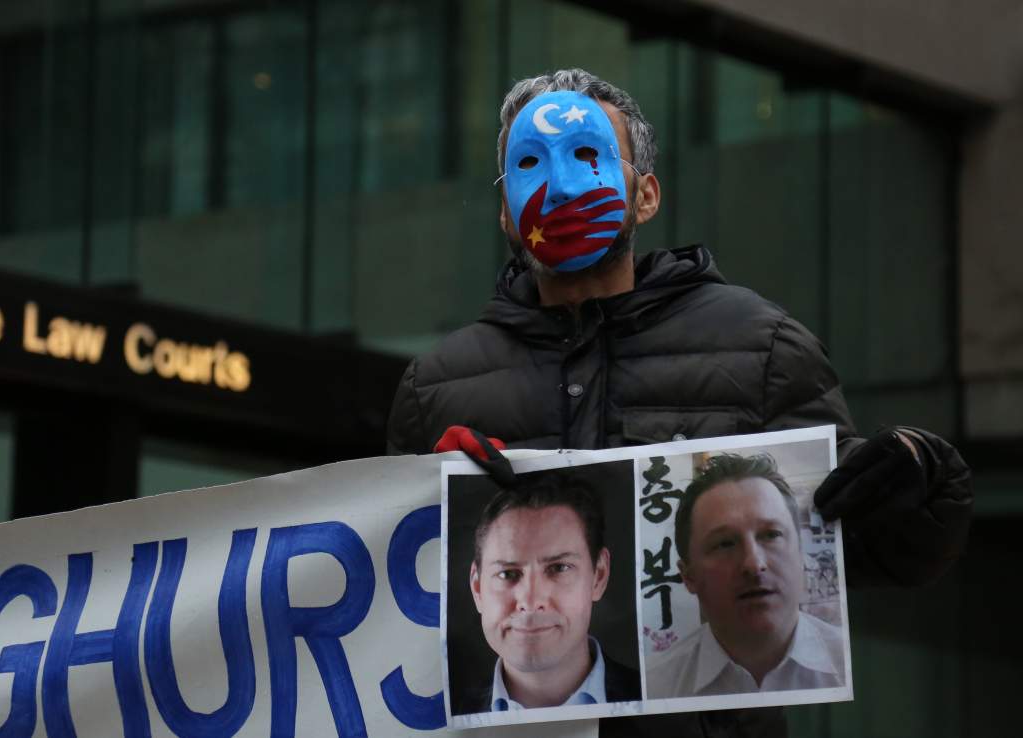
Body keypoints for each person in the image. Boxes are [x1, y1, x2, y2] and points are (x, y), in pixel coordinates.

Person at [387, 68, 972, 737]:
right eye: (528, 164)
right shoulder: (436, 388)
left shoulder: (762, 352)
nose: (561, 185)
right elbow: (395, 610)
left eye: (588, 156)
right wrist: (429, 504)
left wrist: (921, 478)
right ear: (504, 213)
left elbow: (872, 548)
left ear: (645, 195)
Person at [646, 454, 845, 698]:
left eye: (771, 535)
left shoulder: (849, 660)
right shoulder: (654, 688)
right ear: (688, 577)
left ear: (801, 553)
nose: (754, 564)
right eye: (725, 543)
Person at [454, 473, 640, 715]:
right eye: (507, 574)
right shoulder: (437, 720)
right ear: (477, 588)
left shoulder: (666, 702)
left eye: (559, 568)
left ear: (599, 575)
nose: (530, 602)